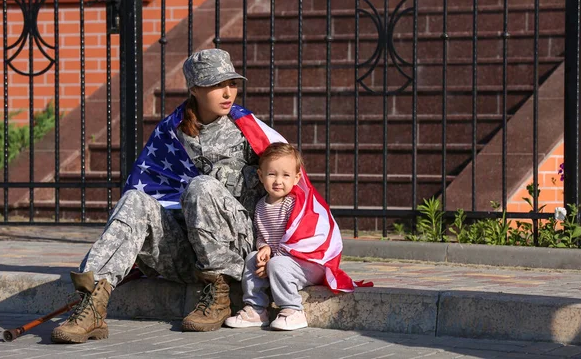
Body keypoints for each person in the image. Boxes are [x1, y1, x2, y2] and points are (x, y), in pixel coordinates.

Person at [50, 48, 368, 344]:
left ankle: (217, 291)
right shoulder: (170, 133)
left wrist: (279, 251)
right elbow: (154, 188)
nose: (228, 92)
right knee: (135, 199)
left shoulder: (248, 131)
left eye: (232, 83)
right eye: (217, 85)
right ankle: (92, 302)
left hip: (245, 254)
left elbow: (293, 191)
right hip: (187, 251)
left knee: (201, 186)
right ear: (195, 89)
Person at [224, 142, 324, 330]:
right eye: (272, 174)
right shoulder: (261, 206)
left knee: (277, 264)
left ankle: (293, 309)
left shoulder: (295, 205)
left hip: (304, 264)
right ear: (261, 176)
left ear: (296, 178)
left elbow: (296, 239)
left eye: (286, 175)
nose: (278, 181)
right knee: (252, 258)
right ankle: (256, 309)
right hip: (278, 261)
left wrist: (271, 261)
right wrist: (264, 249)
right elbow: (263, 234)